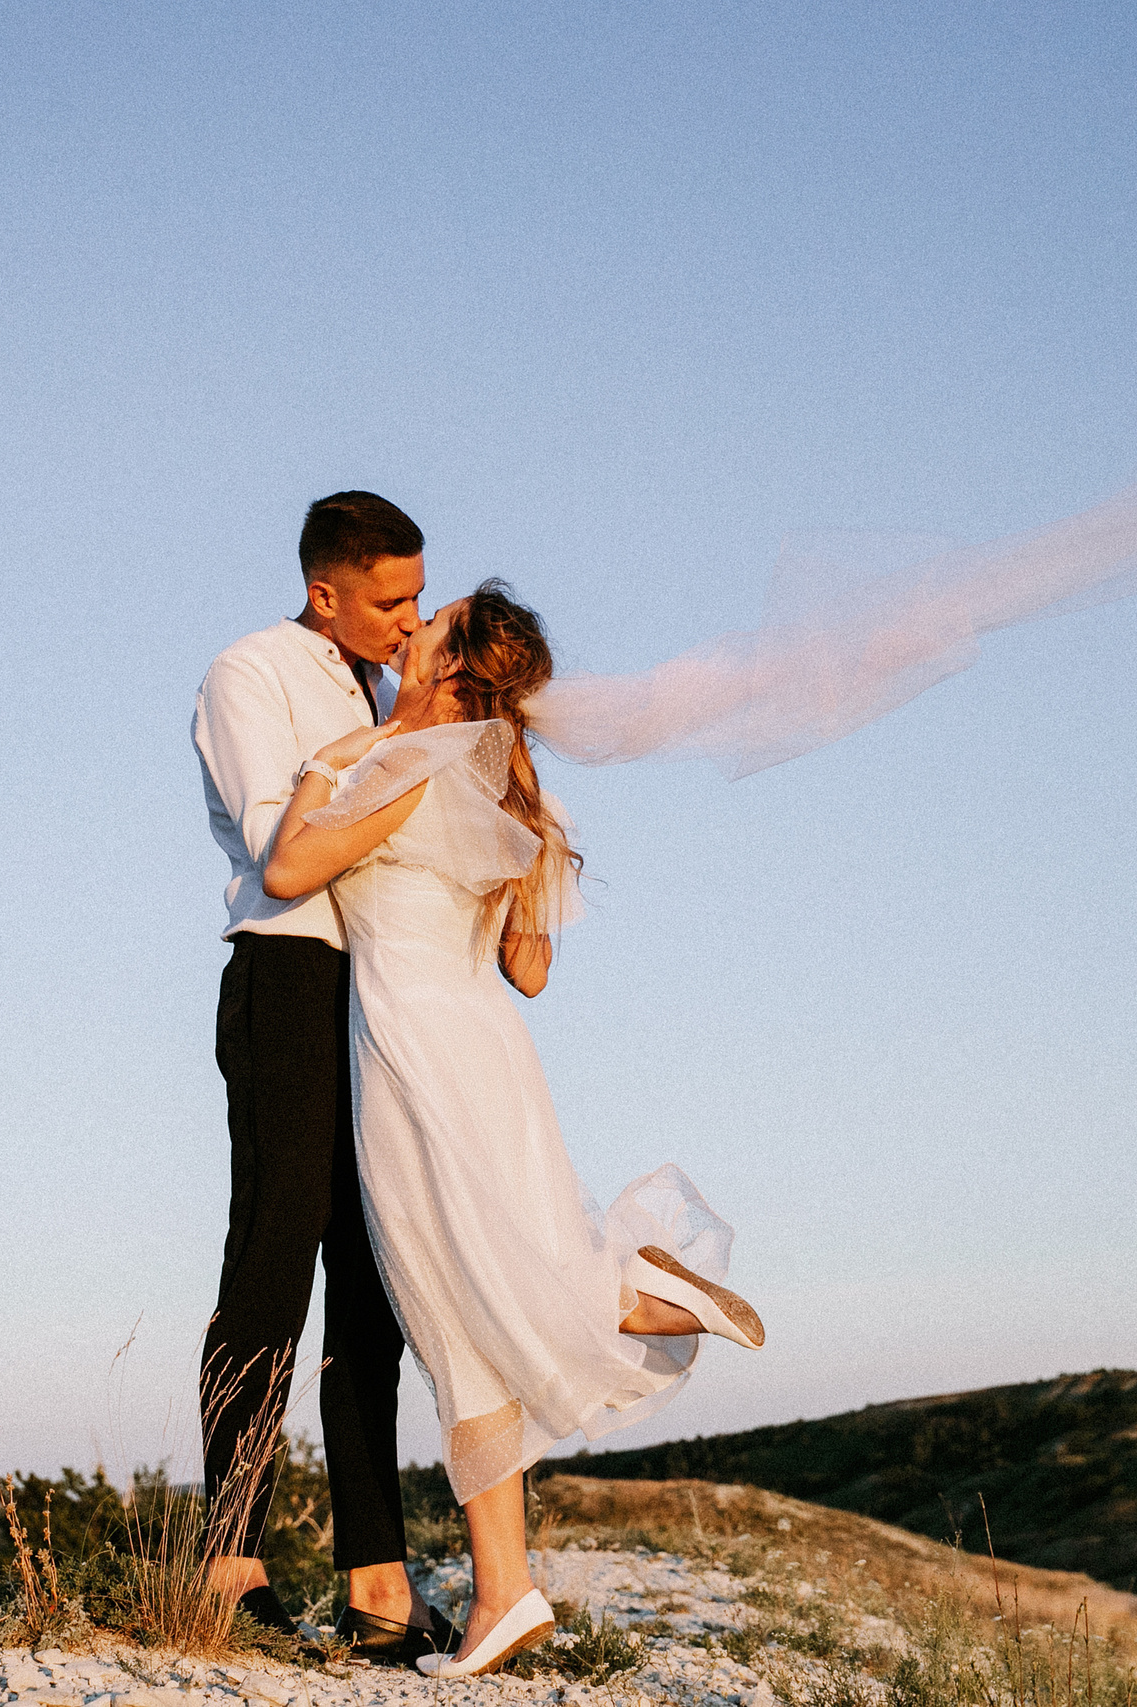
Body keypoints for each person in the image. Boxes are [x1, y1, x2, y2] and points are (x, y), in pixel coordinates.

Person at [261, 582, 765, 1679]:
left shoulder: (407, 765)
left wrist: (332, 760)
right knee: (470, 1318)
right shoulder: (520, 793)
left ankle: (631, 1288)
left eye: (430, 625)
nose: (410, 630)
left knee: (453, 1305)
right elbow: (528, 969)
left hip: (414, 1057)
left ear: (449, 669)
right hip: (492, 1048)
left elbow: (287, 868)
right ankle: (506, 1592)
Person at [188, 490, 458, 1663]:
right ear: (324, 592)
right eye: (391, 601)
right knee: (273, 1251)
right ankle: (226, 1565)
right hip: (288, 977)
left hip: (381, 992)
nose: (410, 620)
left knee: (374, 1274)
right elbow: (279, 850)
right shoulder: (248, 671)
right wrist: (404, 738)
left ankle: (377, 1580)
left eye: (417, 597)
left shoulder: (386, 691)